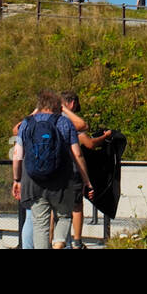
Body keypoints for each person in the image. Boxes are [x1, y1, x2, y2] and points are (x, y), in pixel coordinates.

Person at [12, 89, 93, 249]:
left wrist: (17, 180)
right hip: (62, 182)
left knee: (40, 225)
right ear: (58, 106)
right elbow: (77, 154)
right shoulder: (64, 123)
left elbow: (17, 154)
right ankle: (59, 242)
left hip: (33, 182)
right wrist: (86, 180)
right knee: (64, 216)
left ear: (39, 106)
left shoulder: (27, 123)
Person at [60, 91, 112, 249]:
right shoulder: (71, 121)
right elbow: (89, 143)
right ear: (72, 103)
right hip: (71, 170)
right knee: (76, 206)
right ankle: (76, 241)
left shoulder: (50, 119)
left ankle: (53, 241)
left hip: (53, 171)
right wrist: (105, 137)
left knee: (54, 209)